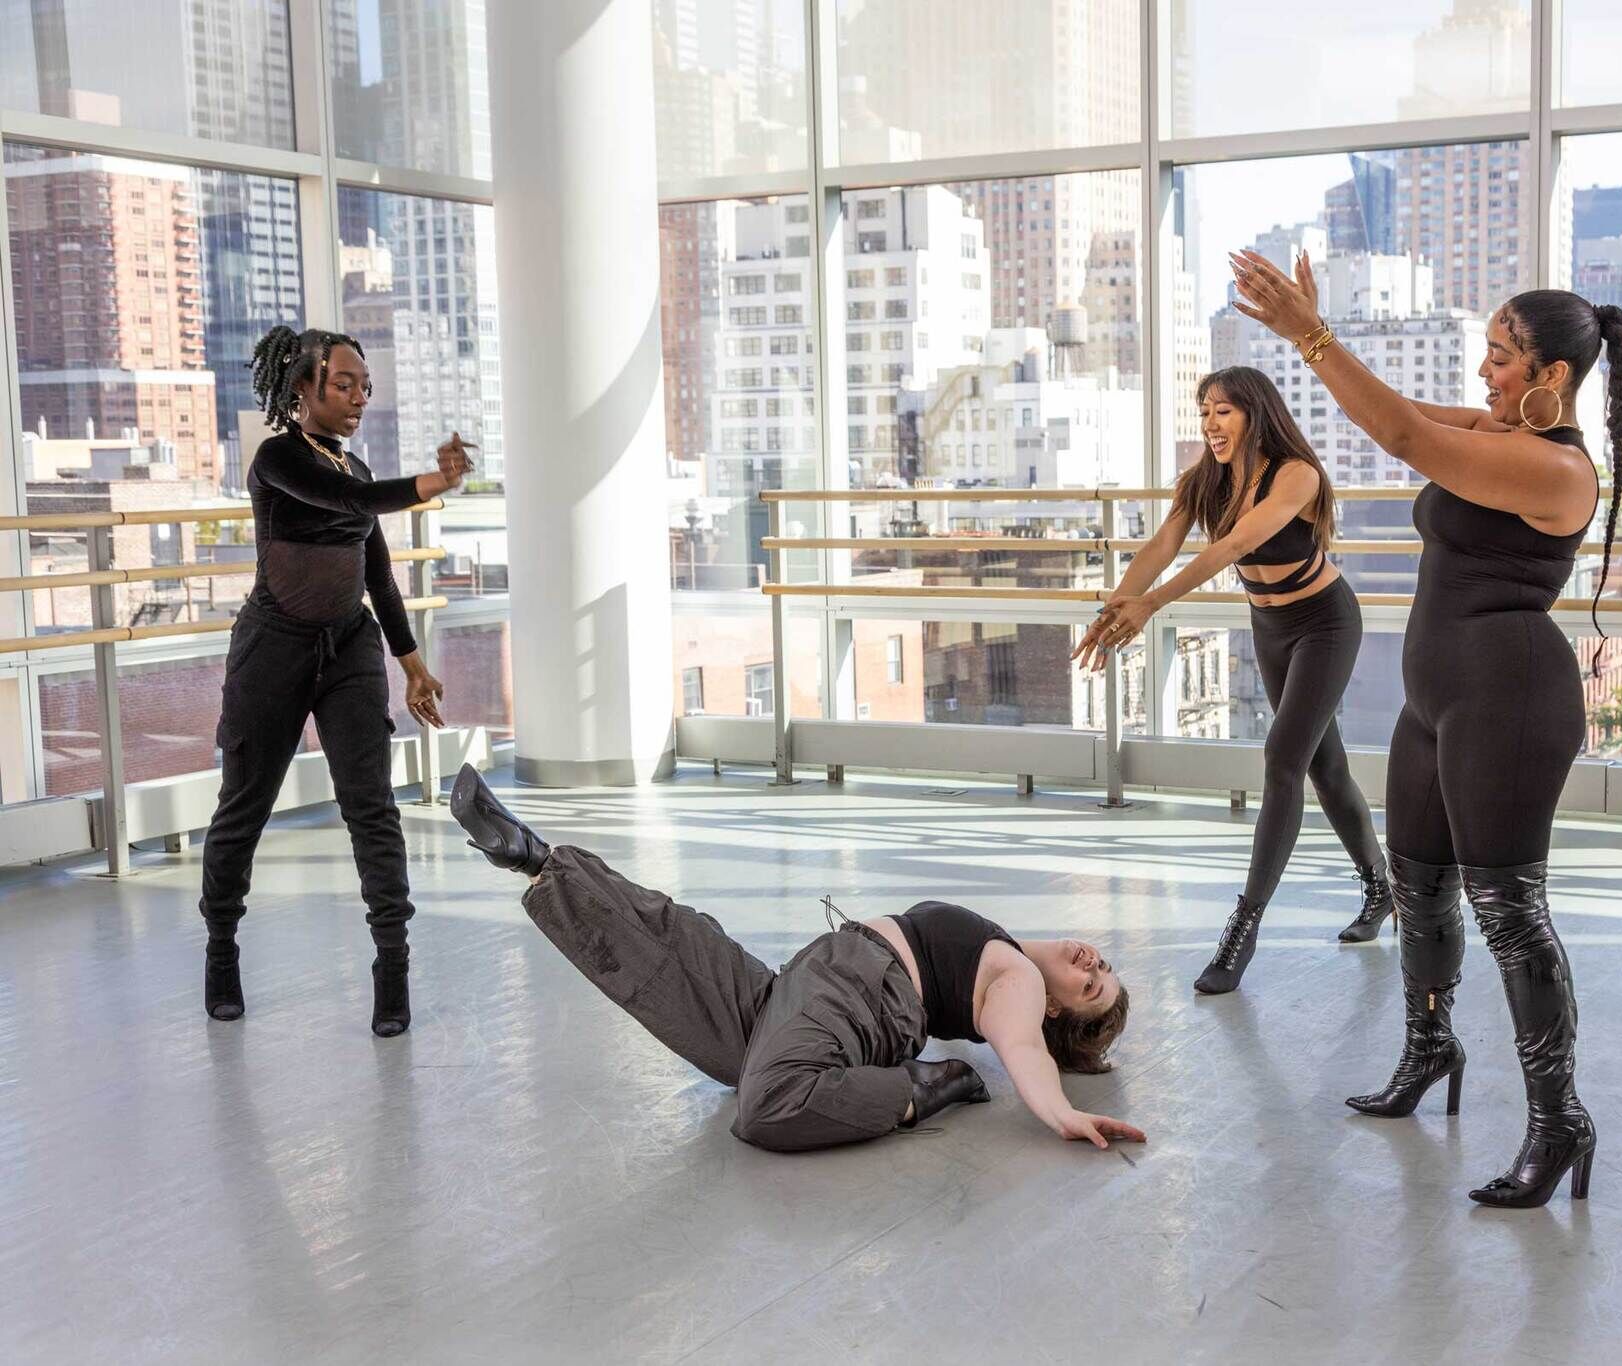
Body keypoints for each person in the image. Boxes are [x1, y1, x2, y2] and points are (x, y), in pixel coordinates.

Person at [1227, 248, 1622, 1209]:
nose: (1483, 373)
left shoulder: (1558, 470)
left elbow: (1402, 434)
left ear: (1552, 378)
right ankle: (1429, 1048)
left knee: (1509, 914)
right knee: (1418, 886)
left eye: (1500, 356)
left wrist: (1307, 337)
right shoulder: (1495, 427)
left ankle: (1558, 1119)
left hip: (1511, 703)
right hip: (1433, 704)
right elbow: (1403, 412)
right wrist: (1331, 342)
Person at [448, 766, 1144, 1154]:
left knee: (767, 1106)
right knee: (678, 943)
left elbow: (1024, 1051)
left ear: (1056, 1008)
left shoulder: (1019, 984)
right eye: (1104, 965)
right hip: (821, 985)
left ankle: (919, 1088)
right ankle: (537, 860)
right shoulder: (1012, 947)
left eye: (1090, 987)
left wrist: (1060, 1114)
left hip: (860, 997)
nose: (1091, 962)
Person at [1074, 365, 1394, 996]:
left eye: (1223, 411)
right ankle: (1381, 889)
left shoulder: (1295, 474)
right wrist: (1117, 606)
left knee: (1281, 759)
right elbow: (1163, 546)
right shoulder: (1205, 481)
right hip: (1270, 627)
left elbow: (1228, 549)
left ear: (1255, 413)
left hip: (1325, 623)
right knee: (1324, 768)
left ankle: (1242, 929)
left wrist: (1153, 606)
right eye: (1204, 412)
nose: (1210, 424)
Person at [198, 325, 472, 1036]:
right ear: (303, 387)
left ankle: (393, 967)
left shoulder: (353, 467)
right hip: (274, 649)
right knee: (243, 806)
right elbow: (351, 505)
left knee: (371, 807)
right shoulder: (278, 460)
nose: (357, 398)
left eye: (364, 387)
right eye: (344, 384)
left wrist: (411, 664)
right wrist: (432, 483)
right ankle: (221, 947)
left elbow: (376, 570)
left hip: (349, 648)